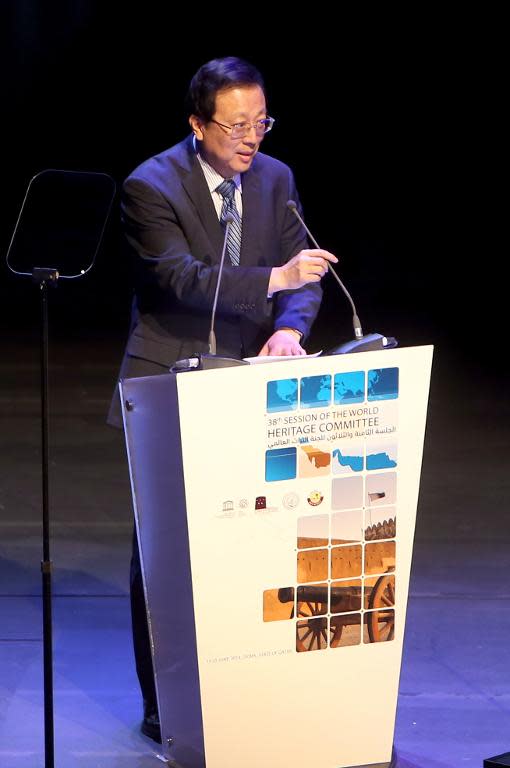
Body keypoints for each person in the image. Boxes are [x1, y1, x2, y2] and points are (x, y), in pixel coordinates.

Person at [108, 56, 338, 743]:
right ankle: (164, 704)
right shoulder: (150, 185)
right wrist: (274, 277)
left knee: (254, 535)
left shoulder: (276, 180)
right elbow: (182, 279)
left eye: (260, 122)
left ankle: (247, 679)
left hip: (254, 386)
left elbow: (306, 275)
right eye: (236, 125)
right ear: (197, 124)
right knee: (164, 551)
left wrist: (292, 329)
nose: (251, 139)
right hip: (171, 382)